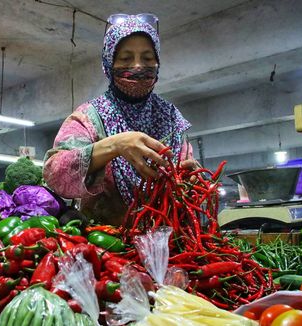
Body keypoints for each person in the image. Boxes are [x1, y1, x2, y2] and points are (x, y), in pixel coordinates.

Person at [43, 14, 195, 225]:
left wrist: (193, 180)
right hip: (108, 246)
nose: (138, 66)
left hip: (169, 244)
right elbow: (56, 176)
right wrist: (115, 145)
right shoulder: (89, 116)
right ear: (109, 62)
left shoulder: (170, 118)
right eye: (125, 59)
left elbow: (187, 176)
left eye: (148, 58)